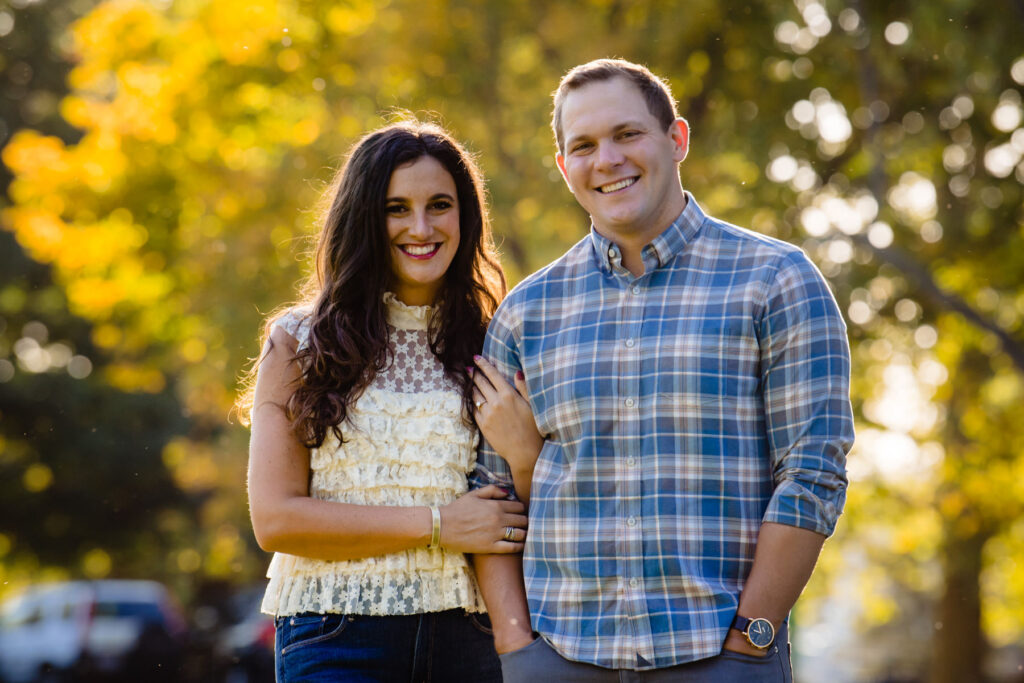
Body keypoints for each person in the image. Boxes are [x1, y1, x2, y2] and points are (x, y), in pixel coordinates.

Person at [469, 58, 854, 681]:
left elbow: (812, 477)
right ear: (566, 168)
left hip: (720, 655)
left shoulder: (776, 281)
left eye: (627, 135)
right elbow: (490, 502)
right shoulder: (526, 314)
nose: (608, 160)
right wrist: (518, 651)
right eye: (584, 146)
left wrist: (751, 641)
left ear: (676, 140)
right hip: (561, 658)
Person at [240, 120, 532, 682]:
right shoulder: (300, 343)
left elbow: (522, 503)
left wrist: (525, 454)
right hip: (335, 636)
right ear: (364, 219)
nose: (420, 227)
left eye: (439, 205)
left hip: (471, 637)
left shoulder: (496, 341)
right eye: (396, 208)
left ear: (465, 216)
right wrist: (439, 524)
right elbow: (276, 520)